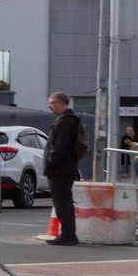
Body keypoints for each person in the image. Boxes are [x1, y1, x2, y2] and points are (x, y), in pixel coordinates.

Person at [44, 91, 82, 246]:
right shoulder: (68, 120)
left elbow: (59, 147)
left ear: (60, 103)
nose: (49, 106)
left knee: (62, 203)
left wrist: (51, 162)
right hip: (65, 168)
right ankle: (68, 234)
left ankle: (68, 235)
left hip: (60, 170)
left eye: (52, 103)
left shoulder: (65, 122)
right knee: (63, 202)